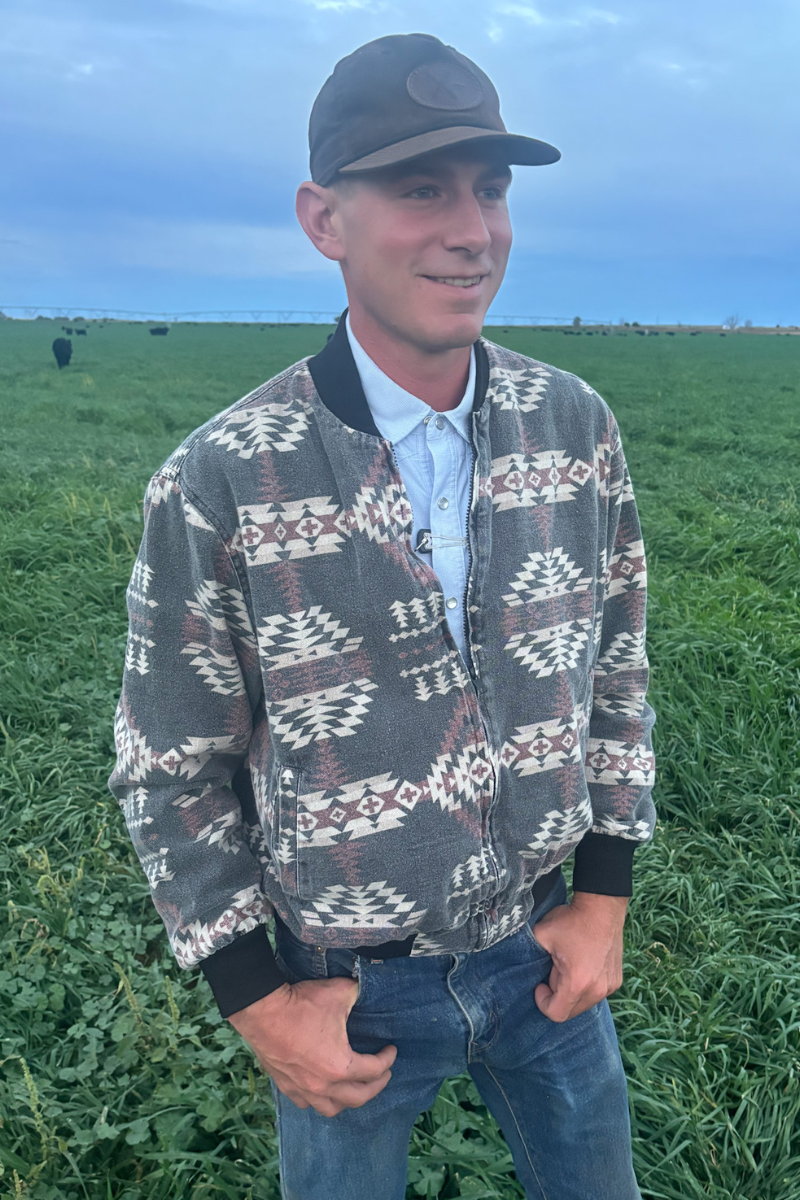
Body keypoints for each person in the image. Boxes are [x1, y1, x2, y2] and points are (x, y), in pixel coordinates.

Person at [109, 33, 655, 1200]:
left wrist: (602, 892)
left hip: (543, 956)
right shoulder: (221, 477)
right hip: (344, 991)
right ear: (324, 219)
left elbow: (615, 669)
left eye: (489, 189)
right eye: (420, 189)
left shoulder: (573, 428)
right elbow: (169, 766)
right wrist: (256, 1001)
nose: (472, 229)